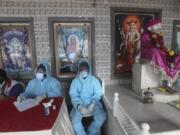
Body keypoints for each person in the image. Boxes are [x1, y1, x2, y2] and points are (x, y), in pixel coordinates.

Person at [69, 59, 106, 135]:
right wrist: (79, 106)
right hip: (79, 105)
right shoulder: (75, 81)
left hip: (93, 104)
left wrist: (93, 103)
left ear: (89, 69)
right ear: (79, 70)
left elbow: (98, 93)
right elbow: (73, 95)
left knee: (101, 118)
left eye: (85, 69)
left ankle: (91, 132)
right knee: (75, 122)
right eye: (82, 69)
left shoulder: (94, 80)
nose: (83, 71)